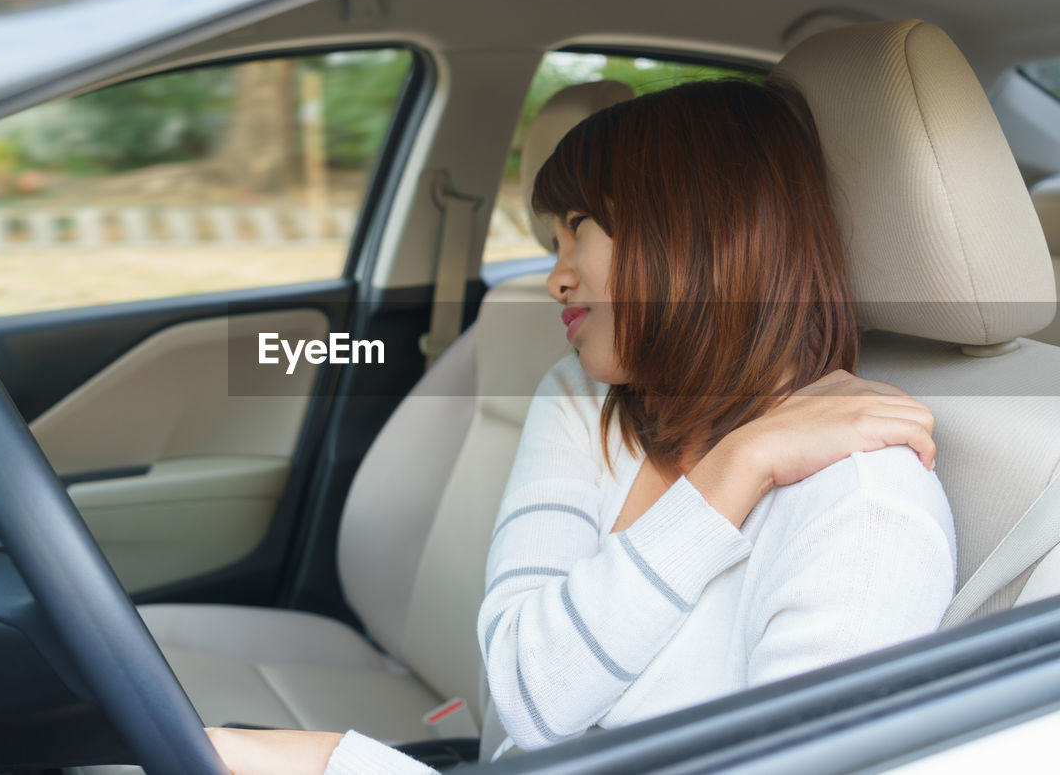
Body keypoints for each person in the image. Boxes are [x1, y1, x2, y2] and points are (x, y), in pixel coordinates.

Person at [204, 78, 955, 773]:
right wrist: (736, 469)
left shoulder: (867, 510)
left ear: (688, 233)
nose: (555, 276)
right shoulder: (582, 398)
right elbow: (526, 693)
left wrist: (343, 761)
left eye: (578, 231)